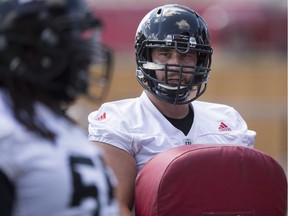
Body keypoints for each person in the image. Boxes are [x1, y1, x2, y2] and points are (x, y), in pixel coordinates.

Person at [88, 4, 256, 216]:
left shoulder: (227, 121)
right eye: (165, 53)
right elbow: (113, 207)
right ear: (146, 56)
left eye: (186, 56)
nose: (175, 64)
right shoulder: (119, 121)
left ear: (200, 61)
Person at [0, 0, 119, 215]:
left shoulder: (51, 121)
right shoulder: (7, 133)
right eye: (67, 39)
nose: (84, 53)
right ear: (26, 51)